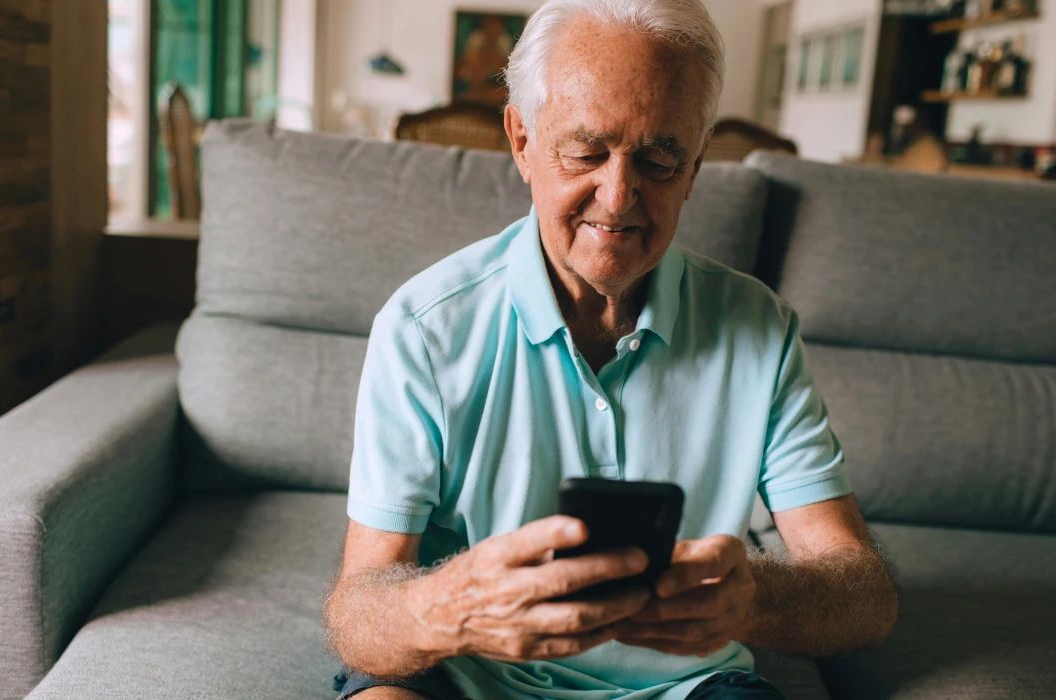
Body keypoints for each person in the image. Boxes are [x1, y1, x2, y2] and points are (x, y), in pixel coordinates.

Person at [324, 1, 898, 698]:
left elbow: (863, 595)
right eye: (586, 152)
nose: (619, 196)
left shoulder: (760, 329)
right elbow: (358, 613)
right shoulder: (423, 326)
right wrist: (451, 605)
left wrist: (749, 599)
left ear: (695, 166)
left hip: (689, 686)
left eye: (658, 159)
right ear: (522, 140)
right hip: (464, 673)